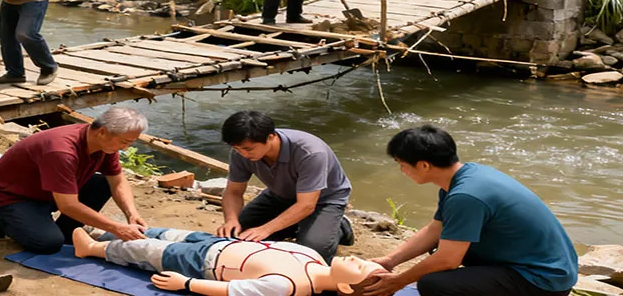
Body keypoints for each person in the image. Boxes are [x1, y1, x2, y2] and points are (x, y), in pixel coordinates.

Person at [364, 126, 577, 296]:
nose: (401, 170)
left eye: (401, 164)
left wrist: (398, 282)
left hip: (542, 281)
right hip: (539, 267)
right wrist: (390, 261)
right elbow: (434, 231)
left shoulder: (465, 196)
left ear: (424, 165)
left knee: (434, 284)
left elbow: (448, 260)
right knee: (441, 247)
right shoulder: (463, 178)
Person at [0, 107, 149, 254]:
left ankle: (67, 231)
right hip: (13, 196)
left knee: (102, 184)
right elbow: (68, 205)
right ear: (102, 132)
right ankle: (1, 220)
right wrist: (116, 228)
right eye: (124, 142)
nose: (125, 148)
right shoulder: (61, 151)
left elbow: (117, 181)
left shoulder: (104, 145)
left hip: (49, 190)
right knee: (48, 243)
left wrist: (132, 214)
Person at [72, 228, 384, 296]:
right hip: (218, 243)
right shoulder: (314, 257)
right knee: (162, 233)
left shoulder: (289, 286)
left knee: (148, 251)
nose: (356, 258)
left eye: (359, 266)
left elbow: (232, 290)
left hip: (202, 264)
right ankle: (104, 232)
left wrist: (187, 283)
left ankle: (93, 249)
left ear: (345, 287)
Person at [218, 111, 354, 264]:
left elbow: (306, 205)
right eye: (237, 149)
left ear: (271, 137)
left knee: (311, 250)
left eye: (248, 149)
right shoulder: (241, 151)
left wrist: (265, 229)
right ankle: (295, 225)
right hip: (280, 194)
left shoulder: (310, 152)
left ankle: (340, 227)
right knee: (236, 236)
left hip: (322, 200)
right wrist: (231, 220)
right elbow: (234, 192)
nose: (243, 154)